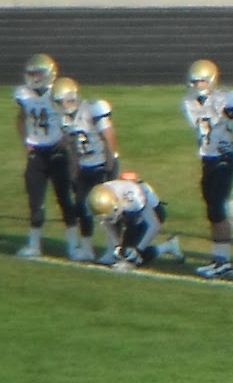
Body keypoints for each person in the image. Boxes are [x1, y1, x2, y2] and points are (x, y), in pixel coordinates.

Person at [181, 60, 233, 278]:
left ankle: (224, 261)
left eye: (202, 80)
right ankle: (218, 258)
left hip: (224, 157)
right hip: (207, 157)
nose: (198, 84)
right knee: (211, 210)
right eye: (195, 81)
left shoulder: (226, 97)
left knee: (217, 208)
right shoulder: (189, 101)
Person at [14, 53, 76, 259]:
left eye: (38, 73)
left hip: (57, 151)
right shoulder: (23, 94)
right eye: (31, 73)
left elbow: (73, 118)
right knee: (35, 200)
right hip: (37, 152)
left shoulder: (58, 91)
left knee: (64, 199)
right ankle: (34, 245)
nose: (34, 77)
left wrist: (66, 139)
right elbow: (21, 119)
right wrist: (26, 142)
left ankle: (73, 246)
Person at [52, 77, 117, 262]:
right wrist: (74, 171)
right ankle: (87, 248)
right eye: (59, 101)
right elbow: (72, 148)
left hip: (102, 164)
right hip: (85, 166)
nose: (63, 105)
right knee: (82, 207)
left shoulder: (93, 109)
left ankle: (113, 249)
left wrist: (109, 167)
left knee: (104, 208)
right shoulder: (64, 118)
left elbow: (109, 138)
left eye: (65, 100)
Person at [86, 173, 183, 269]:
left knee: (131, 258)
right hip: (128, 212)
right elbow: (106, 222)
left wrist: (138, 250)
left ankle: (168, 246)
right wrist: (117, 245)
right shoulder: (99, 198)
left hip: (151, 213)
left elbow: (154, 225)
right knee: (123, 253)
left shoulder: (134, 199)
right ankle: (116, 250)